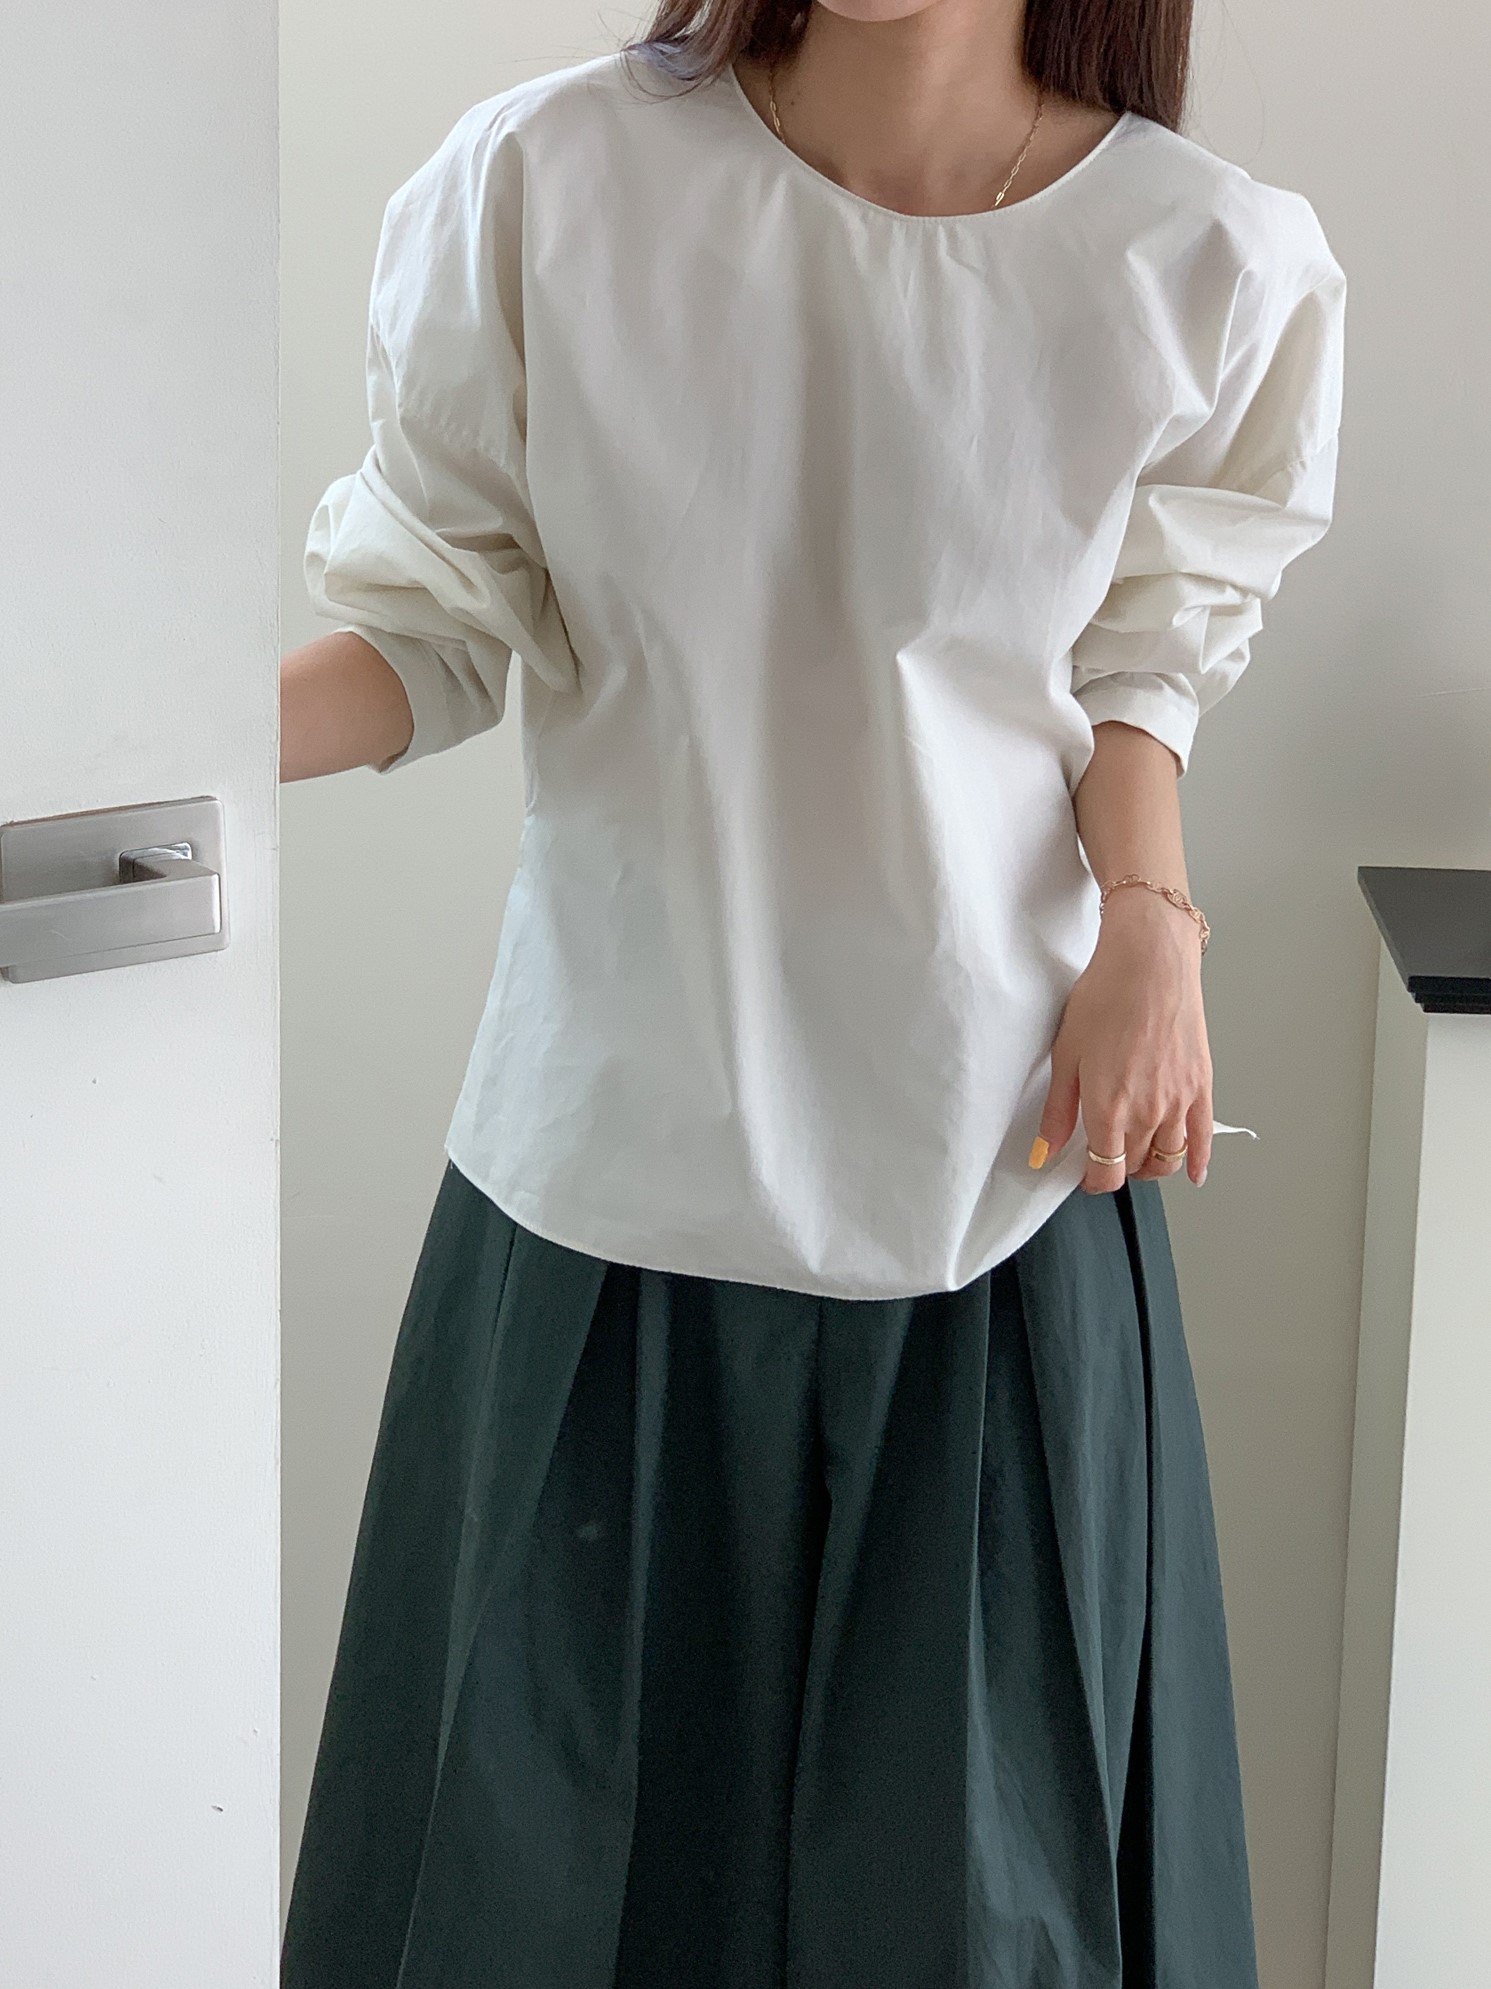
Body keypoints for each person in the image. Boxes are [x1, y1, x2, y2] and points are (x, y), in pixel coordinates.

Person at [278, 1, 1345, 1983]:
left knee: (976, 1921)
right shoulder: (551, 181)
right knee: (531, 1915)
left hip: (992, 1201)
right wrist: (144, 749)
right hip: (606, 1200)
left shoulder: (1202, 257)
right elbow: (430, 626)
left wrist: (1152, 922)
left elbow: (1138, 674)